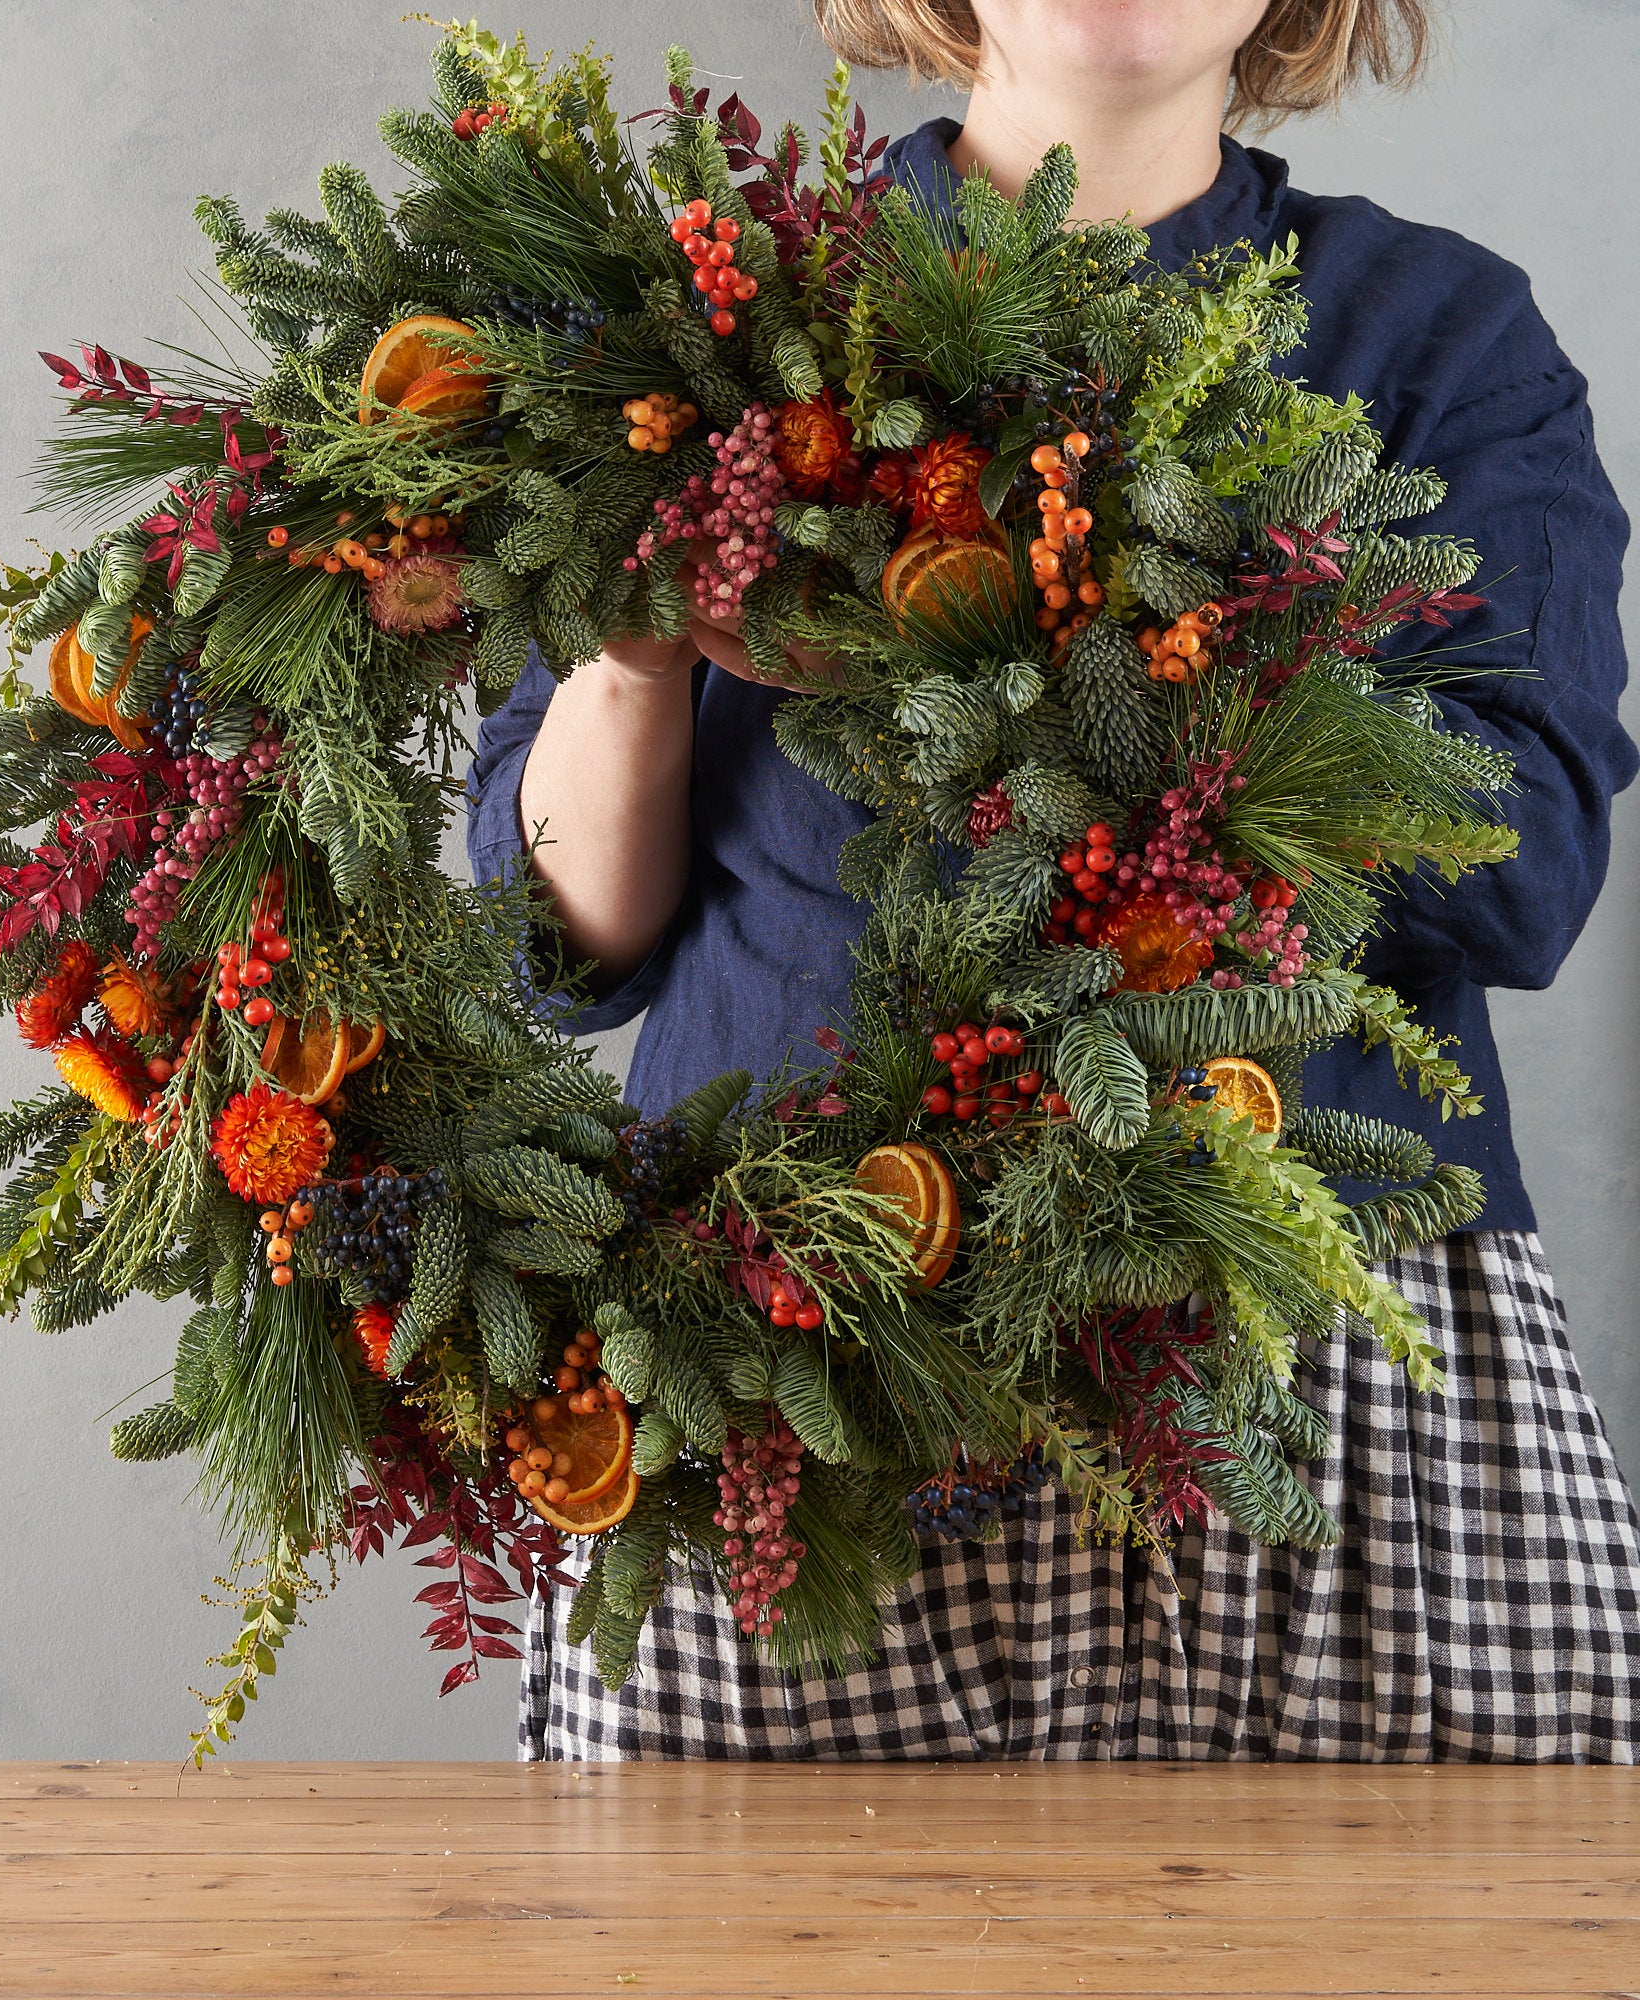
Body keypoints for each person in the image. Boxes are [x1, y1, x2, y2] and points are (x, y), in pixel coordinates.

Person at [468, 0, 1640, 1760]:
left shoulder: (1437, 337)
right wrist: (631, 660)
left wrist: (1080, 624)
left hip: (1322, 1356)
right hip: (794, 1346)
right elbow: (562, 947)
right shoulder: (712, 338)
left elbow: (1520, 864)